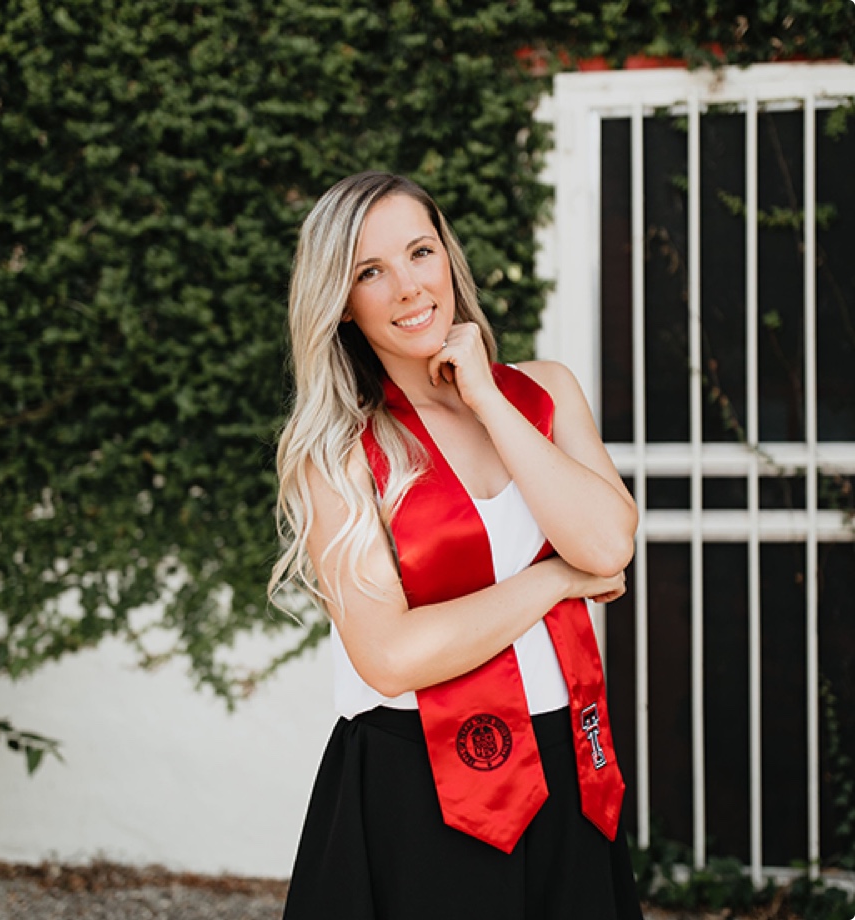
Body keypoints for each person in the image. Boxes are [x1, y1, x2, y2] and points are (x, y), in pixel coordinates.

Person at [270, 171, 643, 920]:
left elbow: (607, 542)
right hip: (419, 785)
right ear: (341, 303)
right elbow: (392, 655)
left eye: (419, 253)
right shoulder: (338, 452)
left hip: (570, 764)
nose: (408, 288)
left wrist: (485, 396)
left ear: (449, 260)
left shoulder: (544, 393)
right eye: (370, 272)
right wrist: (554, 583)